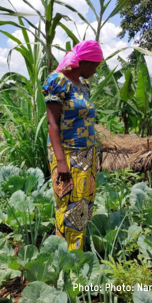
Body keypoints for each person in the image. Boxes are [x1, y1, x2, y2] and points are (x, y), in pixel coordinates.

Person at [42, 40, 103, 250]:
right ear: (84, 61)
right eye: (94, 65)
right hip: (67, 154)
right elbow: (52, 123)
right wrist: (61, 162)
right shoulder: (58, 81)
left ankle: (78, 251)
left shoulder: (83, 85)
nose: (95, 71)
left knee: (83, 207)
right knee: (67, 206)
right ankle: (64, 256)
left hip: (87, 155)